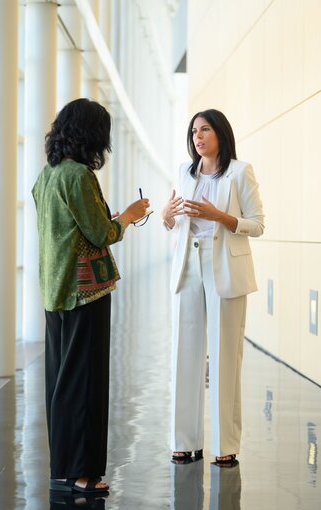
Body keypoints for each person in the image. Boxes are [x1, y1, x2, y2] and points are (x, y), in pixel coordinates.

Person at [32, 98, 149, 493]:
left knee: (61, 382)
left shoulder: (45, 176)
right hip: (85, 291)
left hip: (55, 289)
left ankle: (64, 467)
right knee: (86, 382)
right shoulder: (79, 176)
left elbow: (69, 229)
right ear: (93, 135)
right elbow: (101, 234)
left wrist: (107, 217)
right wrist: (129, 216)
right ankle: (83, 475)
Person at [162, 109, 264, 467]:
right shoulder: (183, 172)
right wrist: (165, 215)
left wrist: (218, 215)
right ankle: (184, 440)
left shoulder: (239, 172)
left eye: (205, 130)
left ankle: (226, 444)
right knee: (184, 354)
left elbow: (257, 224)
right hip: (187, 265)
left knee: (225, 356)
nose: (198, 137)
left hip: (224, 266)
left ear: (220, 133)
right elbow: (174, 222)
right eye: (193, 132)